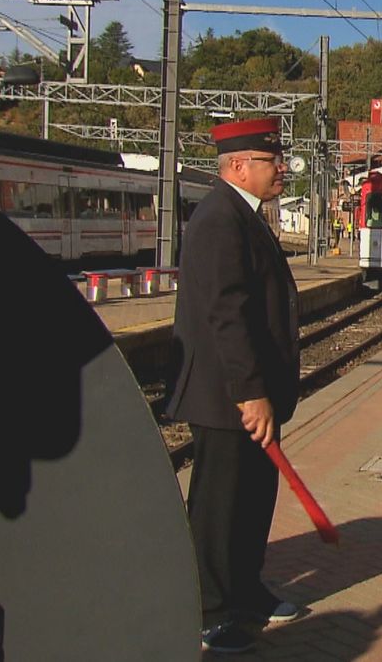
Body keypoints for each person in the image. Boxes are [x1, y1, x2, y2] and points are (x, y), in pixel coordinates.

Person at [168, 116, 302, 654]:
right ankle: (210, 609)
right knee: (219, 507)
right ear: (240, 166)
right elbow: (227, 313)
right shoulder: (220, 218)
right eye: (273, 161)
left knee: (253, 497)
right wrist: (251, 392)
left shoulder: (242, 215)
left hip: (246, 393)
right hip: (227, 397)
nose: (283, 169)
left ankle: (246, 590)